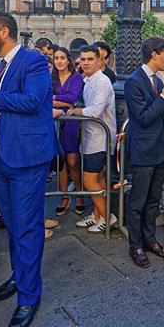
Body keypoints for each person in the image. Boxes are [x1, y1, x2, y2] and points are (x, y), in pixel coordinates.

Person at [0, 11, 56, 327]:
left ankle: (29, 297)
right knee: (15, 225)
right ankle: (20, 277)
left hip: (27, 158)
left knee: (28, 227)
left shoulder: (32, 61)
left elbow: (32, 101)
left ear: (3, 32)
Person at [123, 36, 164, 268]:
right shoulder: (134, 81)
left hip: (159, 149)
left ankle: (150, 238)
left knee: (153, 200)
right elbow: (144, 117)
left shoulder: (160, 79)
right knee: (138, 200)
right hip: (143, 151)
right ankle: (135, 245)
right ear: (154, 54)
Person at [66, 45, 117, 233]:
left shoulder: (102, 81)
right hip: (90, 138)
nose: (86, 63)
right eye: (83, 59)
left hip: (100, 139)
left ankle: (107, 216)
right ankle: (97, 216)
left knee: (89, 181)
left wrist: (73, 111)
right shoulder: (87, 81)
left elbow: (95, 111)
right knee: (99, 180)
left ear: (99, 61)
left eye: (90, 59)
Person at [51, 46, 85, 216]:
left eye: (62, 57)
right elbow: (45, 97)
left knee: (73, 162)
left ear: (68, 60)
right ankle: (65, 197)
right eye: (56, 57)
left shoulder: (76, 78)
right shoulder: (51, 78)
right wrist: (63, 103)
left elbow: (73, 98)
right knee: (60, 163)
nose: (59, 61)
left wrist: (55, 99)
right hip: (54, 122)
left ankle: (79, 195)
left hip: (71, 123)